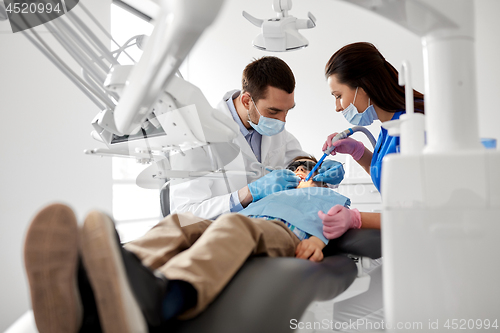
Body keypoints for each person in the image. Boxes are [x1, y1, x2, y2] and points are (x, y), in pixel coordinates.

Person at [23, 157, 352, 333]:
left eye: (309, 169)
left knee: (232, 226)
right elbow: (235, 205)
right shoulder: (272, 189)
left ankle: (165, 297)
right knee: (181, 223)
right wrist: (259, 190)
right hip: (250, 216)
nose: (301, 173)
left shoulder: (330, 194)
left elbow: (342, 222)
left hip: (282, 232)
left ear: (323, 176)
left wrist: (317, 239)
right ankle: (107, 273)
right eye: (297, 168)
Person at [169, 56, 345, 220]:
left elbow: (303, 166)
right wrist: (248, 194)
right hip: (217, 234)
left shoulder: (274, 130)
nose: (282, 120)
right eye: (274, 111)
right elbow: (183, 214)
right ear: (247, 101)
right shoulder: (196, 137)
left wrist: (322, 171)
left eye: (287, 110)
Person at [319, 42, 425, 234]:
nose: (337, 107)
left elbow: (416, 214)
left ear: (363, 87)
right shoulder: (389, 127)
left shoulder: (414, 127)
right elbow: (389, 178)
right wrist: (357, 151)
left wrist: (355, 218)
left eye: (338, 95)